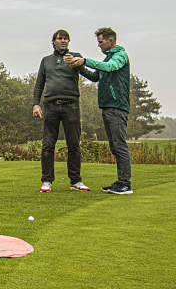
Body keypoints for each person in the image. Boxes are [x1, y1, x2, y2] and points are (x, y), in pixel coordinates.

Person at [65, 27, 132, 194]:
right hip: (108, 106)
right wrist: (78, 66)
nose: (99, 45)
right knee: (114, 146)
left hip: (117, 107)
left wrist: (85, 60)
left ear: (110, 41)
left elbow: (109, 67)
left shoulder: (120, 56)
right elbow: (95, 76)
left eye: (100, 42)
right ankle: (120, 182)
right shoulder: (107, 58)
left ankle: (126, 184)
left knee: (119, 145)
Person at [32, 29, 91, 193]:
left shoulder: (75, 56)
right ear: (54, 41)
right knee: (48, 144)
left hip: (71, 105)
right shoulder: (46, 61)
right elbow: (39, 84)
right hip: (51, 105)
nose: (63, 41)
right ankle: (47, 181)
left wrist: (79, 64)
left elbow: (90, 76)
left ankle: (76, 181)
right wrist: (36, 104)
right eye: (60, 39)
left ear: (68, 42)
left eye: (66, 39)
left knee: (74, 144)